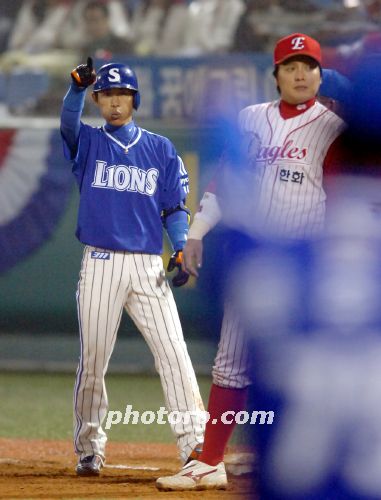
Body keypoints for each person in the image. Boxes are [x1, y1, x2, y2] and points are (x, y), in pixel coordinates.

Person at [156, 33, 347, 491]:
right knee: (232, 362)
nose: (301, 74)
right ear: (275, 74)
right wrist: (196, 232)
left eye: (309, 66)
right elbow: (227, 181)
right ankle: (211, 460)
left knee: (309, 368)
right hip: (259, 259)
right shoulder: (250, 119)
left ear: (322, 75)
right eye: (291, 66)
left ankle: (295, 453)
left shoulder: (334, 124)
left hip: (310, 263)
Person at [60, 57, 205, 476]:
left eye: (123, 94)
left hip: (147, 266)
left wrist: (179, 246)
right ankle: (89, 447)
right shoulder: (88, 143)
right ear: (99, 100)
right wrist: (74, 91)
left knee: (174, 353)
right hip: (101, 261)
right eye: (107, 95)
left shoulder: (160, 148)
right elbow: (68, 125)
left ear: (134, 99)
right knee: (94, 360)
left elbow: (174, 207)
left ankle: (194, 443)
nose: (116, 102)